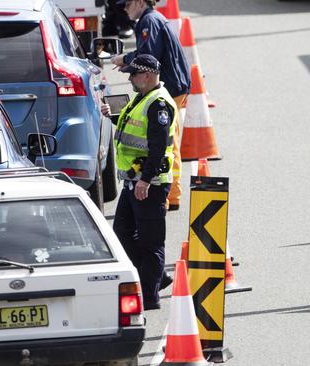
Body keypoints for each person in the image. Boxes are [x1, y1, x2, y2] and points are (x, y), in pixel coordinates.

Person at [101, 54, 176, 310]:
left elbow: (156, 148)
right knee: (121, 233)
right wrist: (113, 116)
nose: (130, 79)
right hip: (133, 180)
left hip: (150, 183)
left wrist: (145, 180)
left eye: (133, 74)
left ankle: (150, 295)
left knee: (151, 241)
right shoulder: (142, 98)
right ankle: (156, 277)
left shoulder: (159, 105)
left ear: (146, 75)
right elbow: (134, 131)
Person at [111, 0, 191, 212]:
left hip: (169, 88)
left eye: (127, 4)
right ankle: (172, 195)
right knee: (168, 142)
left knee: (166, 143)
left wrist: (126, 59)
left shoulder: (148, 22)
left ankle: (169, 195)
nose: (124, 9)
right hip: (174, 86)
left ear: (139, 1)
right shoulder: (152, 19)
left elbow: (149, 57)